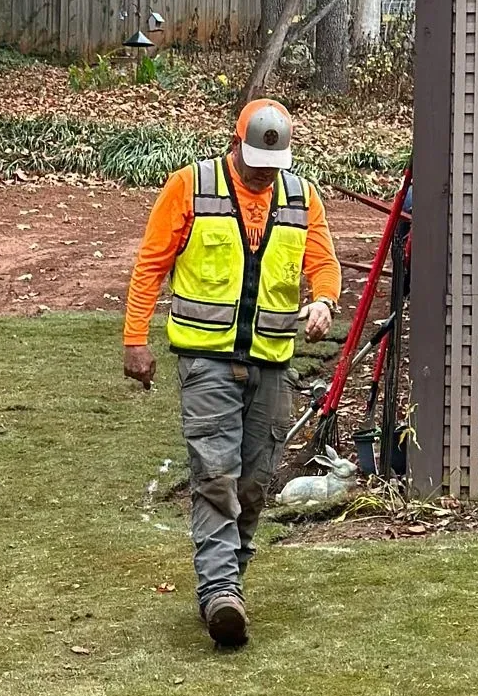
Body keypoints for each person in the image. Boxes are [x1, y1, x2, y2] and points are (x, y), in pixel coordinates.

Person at [123, 98, 341, 649]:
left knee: (254, 482)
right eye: (255, 162)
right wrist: (134, 339)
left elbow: (323, 262)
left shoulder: (301, 196)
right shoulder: (189, 188)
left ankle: (229, 587)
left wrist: (324, 301)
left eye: (274, 164)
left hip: (271, 362)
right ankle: (219, 592)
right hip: (206, 362)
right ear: (235, 145)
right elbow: (151, 262)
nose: (265, 173)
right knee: (216, 475)